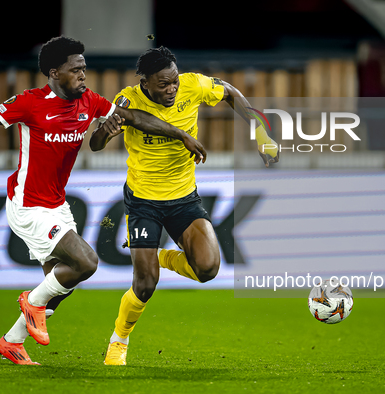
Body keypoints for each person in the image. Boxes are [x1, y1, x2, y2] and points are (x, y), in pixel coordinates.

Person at [0, 37, 206, 365]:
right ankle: (29, 301)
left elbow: (133, 118)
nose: (83, 75)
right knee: (87, 263)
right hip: (27, 204)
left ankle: (12, 340)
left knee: (60, 284)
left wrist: (182, 135)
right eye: (75, 69)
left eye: (84, 69)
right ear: (54, 73)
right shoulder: (31, 102)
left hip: (56, 204)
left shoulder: (89, 101)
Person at [89, 46, 279, 366]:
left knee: (207, 269)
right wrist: (103, 134)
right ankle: (118, 341)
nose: (172, 88)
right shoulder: (127, 100)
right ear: (145, 83)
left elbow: (231, 93)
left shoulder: (193, 85)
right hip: (144, 201)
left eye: (174, 81)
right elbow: (95, 144)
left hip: (183, 198)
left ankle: (161, 256)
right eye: (163, 84)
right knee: (146, 284)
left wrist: (260, 132)